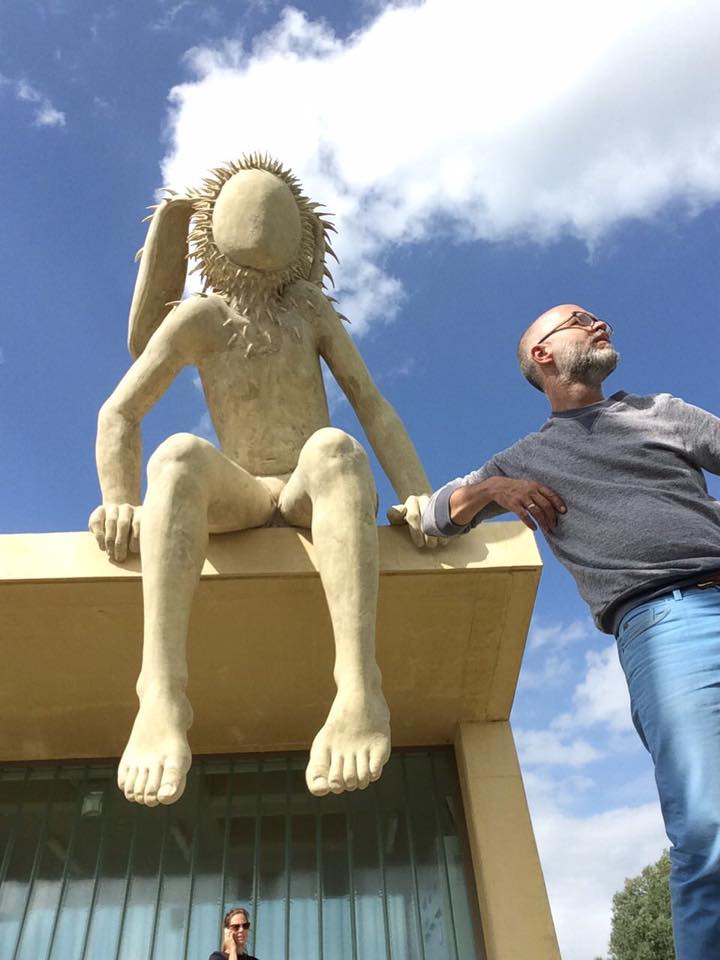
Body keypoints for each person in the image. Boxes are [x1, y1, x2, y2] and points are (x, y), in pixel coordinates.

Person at [89, 155, 439, 808]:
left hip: (309, 486)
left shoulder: (308, 308)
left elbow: (370, 403)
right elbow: (120, 412)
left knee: (334, 446)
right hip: (243, 493)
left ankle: (359, 686)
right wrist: (118, 501)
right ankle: (160, 694)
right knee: (178, 455)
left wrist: (419, 493)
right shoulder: (199, 317)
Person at [421, 303, 720, 960]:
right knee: (709, 829)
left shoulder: (661, 411)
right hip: (668, 624)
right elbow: (432, 516)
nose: (599, 321)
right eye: (579, 319)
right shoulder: (528, 459)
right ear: (543, 355)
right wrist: (495, 489)